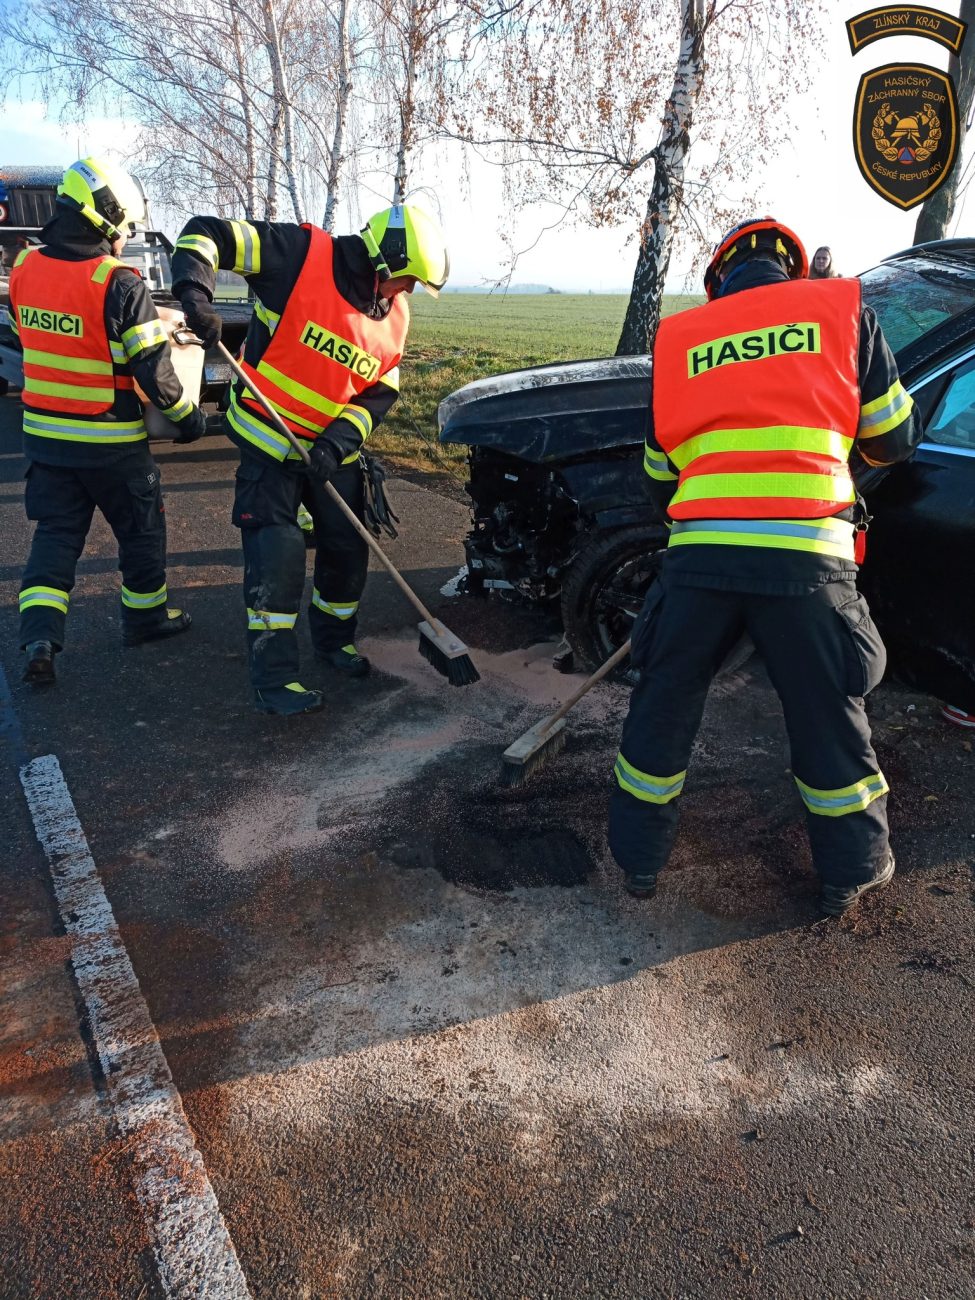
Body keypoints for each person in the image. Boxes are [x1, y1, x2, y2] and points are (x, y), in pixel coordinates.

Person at [609, 218, 921, 916]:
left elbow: (659, 479)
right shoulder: (839, 311)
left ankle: (636, 863)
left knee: (661, 706)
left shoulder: (683, 339)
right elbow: (894, 438)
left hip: (697, 560)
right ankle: (851, 870)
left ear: (718, 280)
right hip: (806, 562)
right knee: (826, 717)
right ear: (793, 269)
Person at [170, 203, 448, 716]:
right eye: (406, 279)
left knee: (347, 547)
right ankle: (275, 681)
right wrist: (195, 295)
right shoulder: (299, 254)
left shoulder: (394, 317)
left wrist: (335, 445)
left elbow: (378, 391)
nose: (407, 292)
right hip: (268, 442)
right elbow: (204, 235)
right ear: (384, 259)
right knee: (278, 557)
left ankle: (333, 641)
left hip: (328, 454)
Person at [10, 158, 206, 687]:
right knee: (141, 532)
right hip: (112, 444)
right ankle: (144, 619)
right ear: (107, 215)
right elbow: (155, 371)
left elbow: (46, 334)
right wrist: (190, 420)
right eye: (125, 225)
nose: (126, 236)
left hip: (47, 440)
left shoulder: (25, 268)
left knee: (54, 539)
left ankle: (40, 639)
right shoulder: (117, 282)